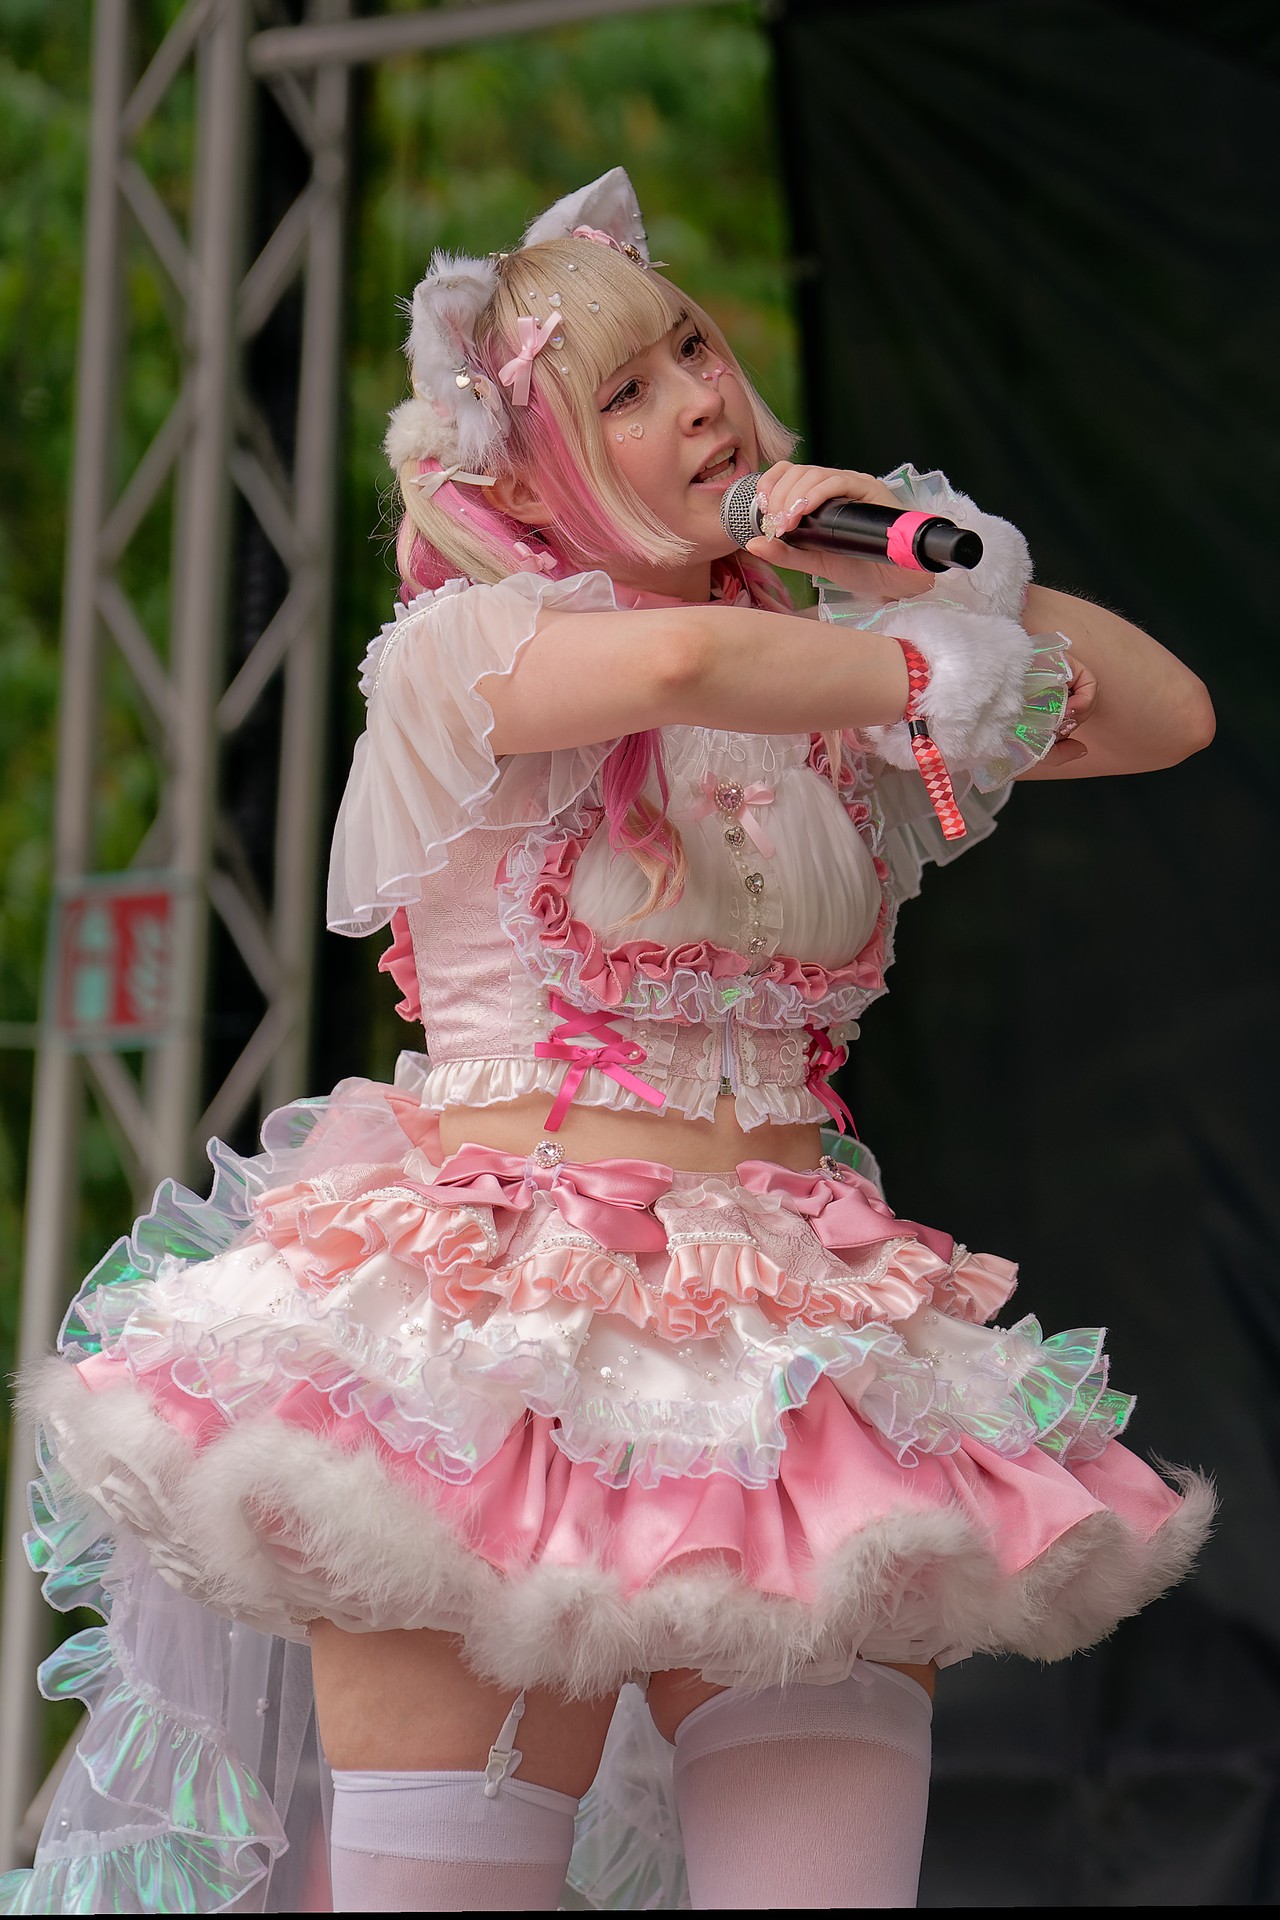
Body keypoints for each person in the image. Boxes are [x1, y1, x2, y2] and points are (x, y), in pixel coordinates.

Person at [3, 169, 1216, 1915]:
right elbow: (670, 675)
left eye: (696, 352)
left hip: (790, 1337)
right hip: (492, 1337)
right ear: (519, 480)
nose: (701, 401)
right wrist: (920, 669)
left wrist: (948, 577)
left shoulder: (830, 675)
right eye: (627, 392)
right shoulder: (459, 654)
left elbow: (1167, 714)